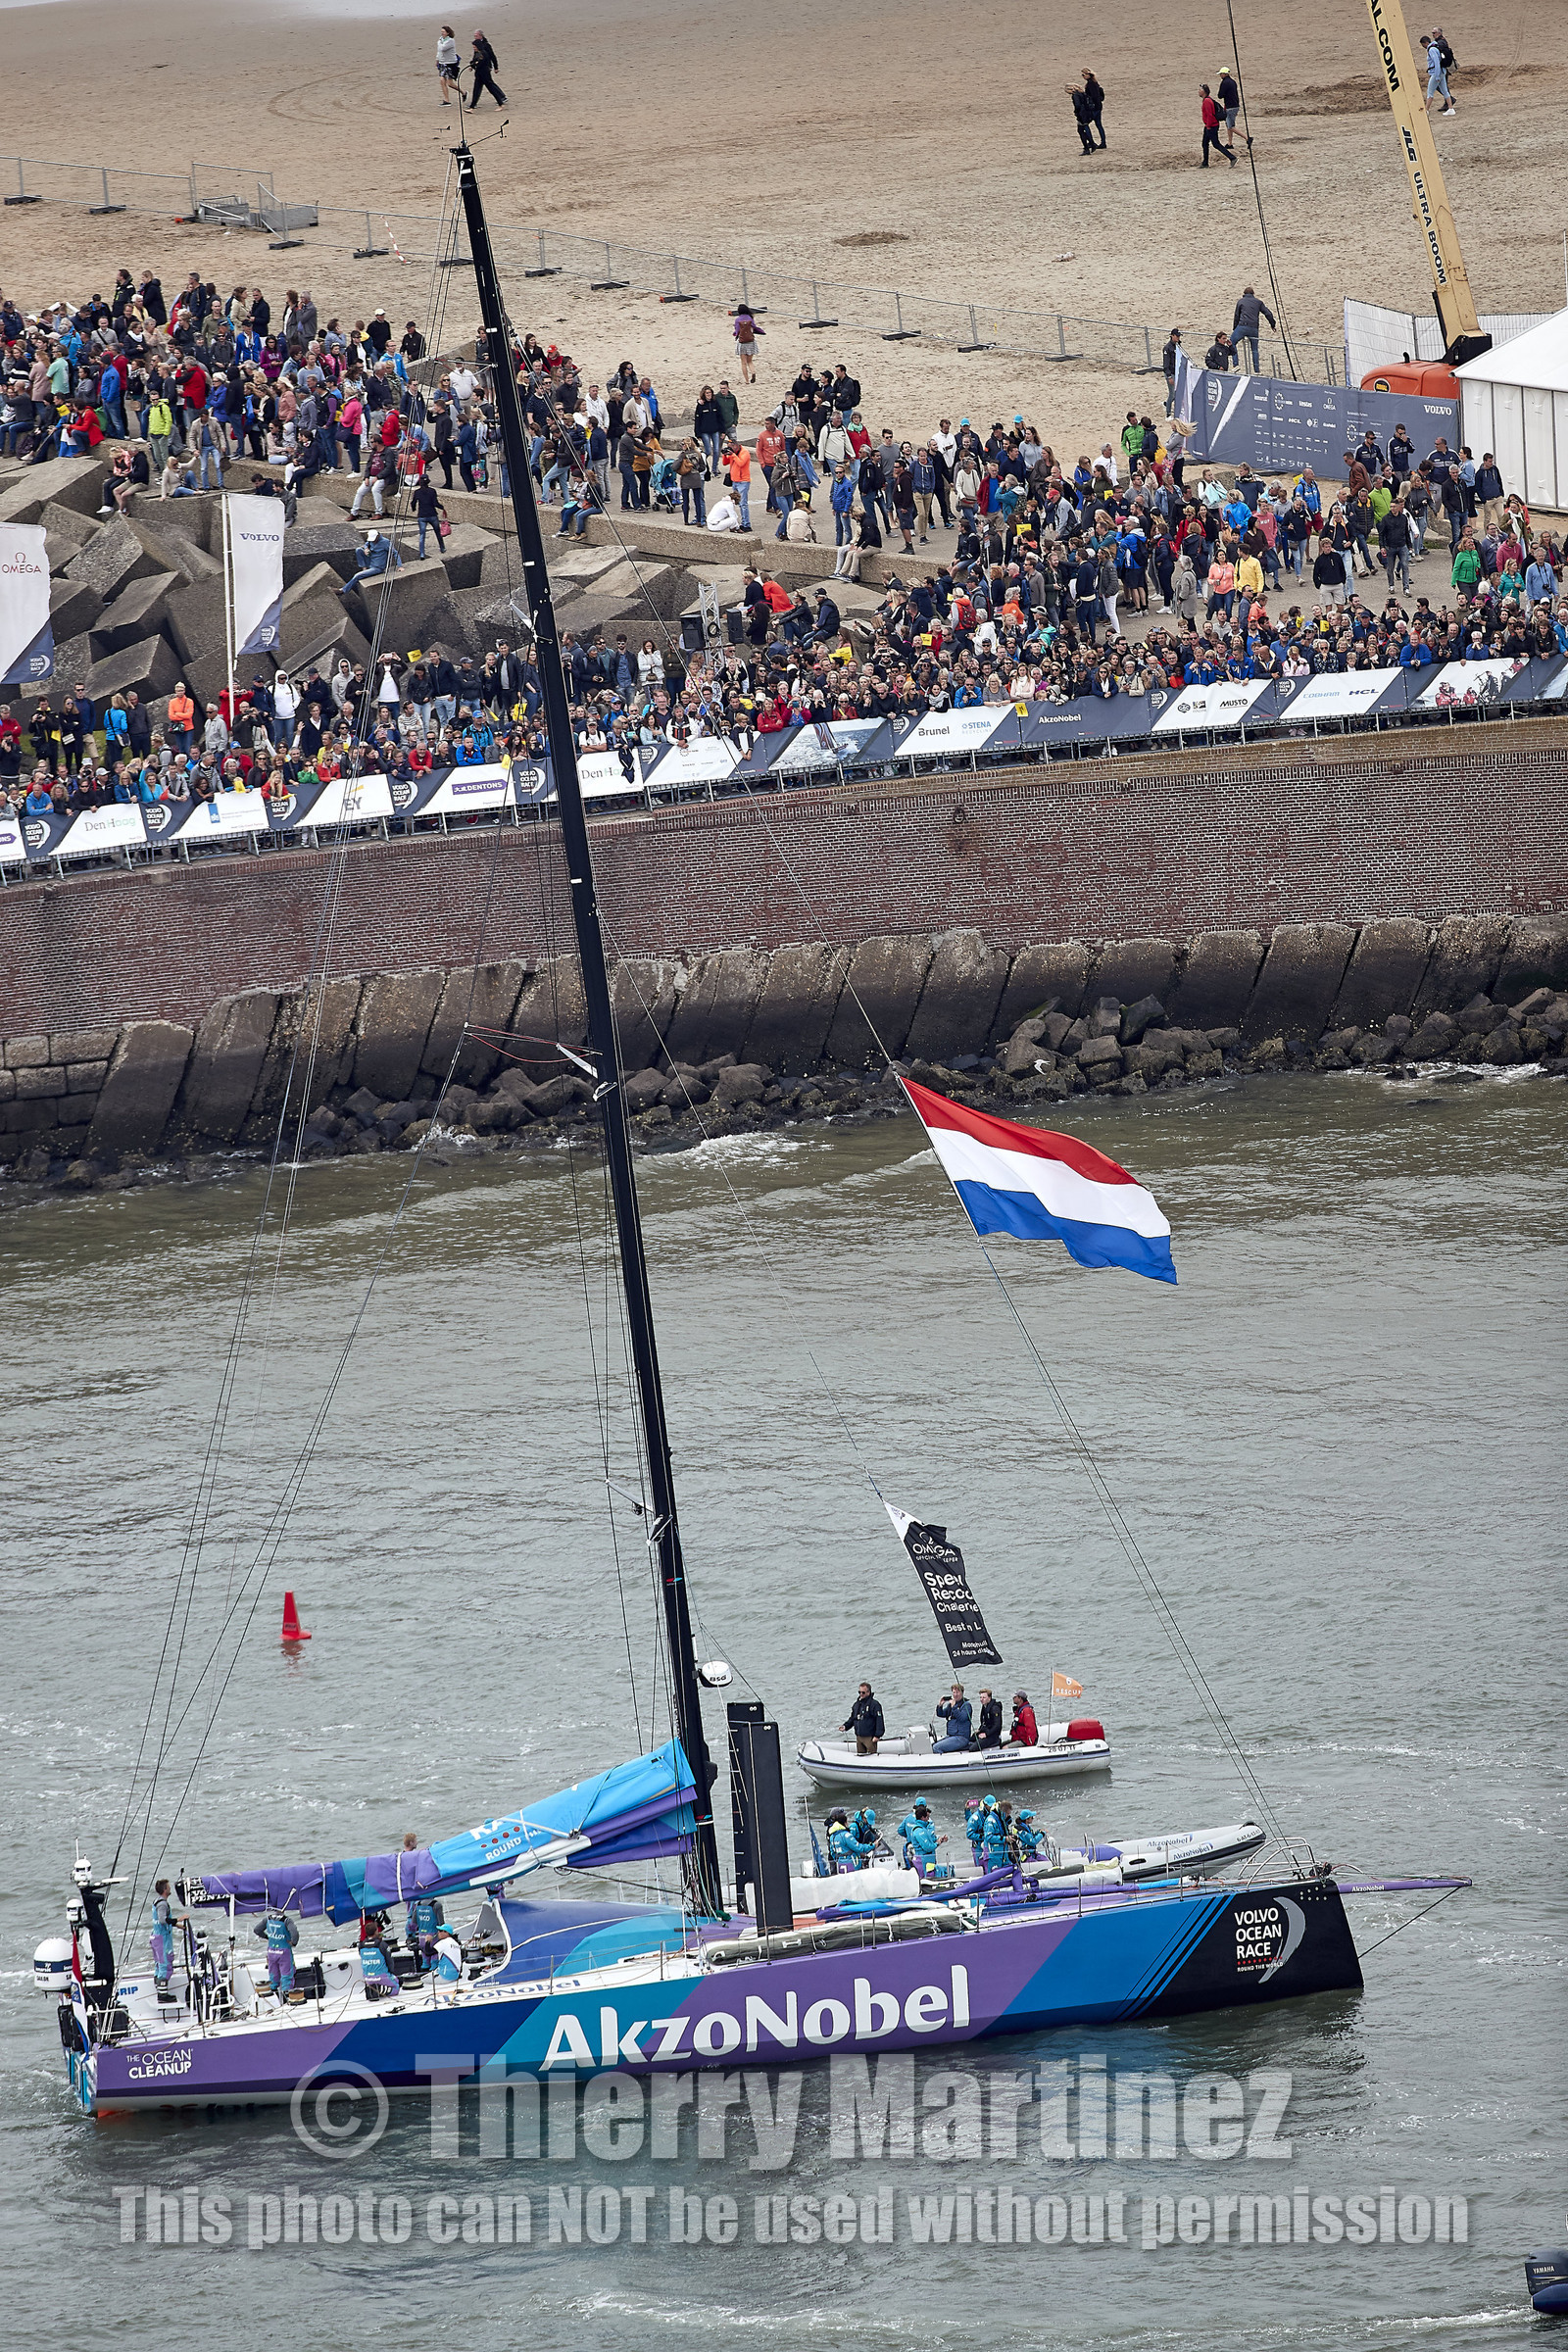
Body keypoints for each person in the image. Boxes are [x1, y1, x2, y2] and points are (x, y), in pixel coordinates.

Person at [254, 1905, 301, 2000]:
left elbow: (257, 1930)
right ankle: (286, 1999)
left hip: (271, 1952)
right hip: (284, 1952)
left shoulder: (268, 1919)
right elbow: (294, 1933)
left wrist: (267, 1937)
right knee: (286, 1976)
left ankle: (273, 1999)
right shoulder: (286, 1920)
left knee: (273, 1976)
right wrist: (293, 1943)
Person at [148, 1879, 184, 1997]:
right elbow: (163, 1920)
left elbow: (161, 1921)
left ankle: (159, 1989)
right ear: (165, 1890)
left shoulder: (157, 1901)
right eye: (168, 1887)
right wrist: (179, 1919)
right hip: (162, 1939)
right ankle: (162, 1995)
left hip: (156, 1936)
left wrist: (178, 1926)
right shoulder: (163, 1903)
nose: (170, 1888)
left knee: (159, 1964)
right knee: (165, 1964)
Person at [1231, 287, 1276, 374]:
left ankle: (1236, 365)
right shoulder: (1259, 302)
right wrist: (1272, 324)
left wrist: (1235, 328)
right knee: (1254, 349)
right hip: (1254, 328)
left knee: (1232, 342)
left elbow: (1237, 315)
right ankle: (1257, 370)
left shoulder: (1240, 301)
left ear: (1244, 293)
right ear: (1253, 294)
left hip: (1243, 326)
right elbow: (1268, 313)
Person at [898, 1799, 947, 1879]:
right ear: (923, 1817)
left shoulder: (908, 1818)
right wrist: (937, 1842)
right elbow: (928, 1846)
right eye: (927, 1817)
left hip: (910, 1849)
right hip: (924, 1859)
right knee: (925, 1876)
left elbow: (900, 1830)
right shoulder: (922, 1829)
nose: (928, 1819)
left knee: (912, 1871)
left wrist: (909, 1837)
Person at [842, 1681, 885, 1756]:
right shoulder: (857, 1704)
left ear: (868, 1692)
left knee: (872, 1756)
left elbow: (879, 1720)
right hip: (859, 1737)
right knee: (860, 1756)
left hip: (869, 1737)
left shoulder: (874, 1705)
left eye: (863, 1692)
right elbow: (853, 1718)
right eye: (859, 1692)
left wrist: (877, 1735)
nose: (861, 1694)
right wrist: (845, 1726)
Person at [467, 29, 508, 107]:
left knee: (489, 84)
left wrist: (496, 67)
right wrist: (472, 66)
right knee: (481, 86)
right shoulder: (476, 45)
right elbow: (475, 57)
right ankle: (473, 104)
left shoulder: (486, 45)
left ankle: (501, 98)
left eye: (476, 36)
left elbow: (492, 56)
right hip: (479, 68)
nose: (475, 37)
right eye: (474, 36)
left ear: (481, 36)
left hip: (486, 67)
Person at [1420, 31, 1454, 115]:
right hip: (1442, 72)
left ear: (1426, 43)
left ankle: (1426, 110)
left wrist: (1437, 76)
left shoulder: (1432, 50)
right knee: (1445, 91)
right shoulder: (1435, 47)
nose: (1423, 46)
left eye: (1422, 44)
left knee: (1430, 92)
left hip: (1436, 73)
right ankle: (1451, 108)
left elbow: (1436, 62)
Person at [1200, 85, 1235, 169]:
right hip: (1210, 125)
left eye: (1200, 90)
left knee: (1216, 144)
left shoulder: (1207, 101)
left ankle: (1232, 157)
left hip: (1211, 126)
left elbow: (1210, 115)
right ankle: (1205, 162)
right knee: (1205, 143)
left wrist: (1208, 126)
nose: (1199, 91)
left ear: (1204, 91)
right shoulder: (1207, 100)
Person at [934, 1683, 972, 1751]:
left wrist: (954, 1707)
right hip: (952, 1736)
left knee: (936, 1748)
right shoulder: (951, 1705)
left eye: (957, 1692)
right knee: (933, 1746)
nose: (955, 1695)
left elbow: (962, 1718)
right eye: (954, 1692)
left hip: (961, 1737)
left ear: (962, 1693)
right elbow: (941, 1714)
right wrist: (940, 1706)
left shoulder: (967, 1705)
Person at [432, 1924, 465, 2001]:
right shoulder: (455, 1943)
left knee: (422, 1980)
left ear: (446, 1933)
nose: (438, 1933)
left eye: (440, 1931)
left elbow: (428, 1952)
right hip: (455, 1975)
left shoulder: (444, 1942)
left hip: (445, 1977)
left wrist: (427, 1941)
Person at [1081, 66, 1106, 147]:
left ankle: (1091, 142)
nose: (1083, 77)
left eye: (1083, 75)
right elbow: (1100, 95)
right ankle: (1103, 142)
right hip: (1098, 106)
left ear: (1088, 75)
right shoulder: (1095, 82)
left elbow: (1094, 96)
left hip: (1094, 108)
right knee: (1099, 125)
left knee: (1084, 124)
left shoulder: (1090, 84)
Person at [1066, 83, 1095, 157]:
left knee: (1080, 131)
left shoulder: (1075, 95)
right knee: (1083, 129)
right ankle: (1091, 144)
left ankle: (1087, 148)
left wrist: (1076, 112)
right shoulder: (1082, 93)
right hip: (1087, 113)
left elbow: (1078, 105)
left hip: (1082, 114)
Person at [435, 24, 461, 103]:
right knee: (442, 80)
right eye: (441, 32)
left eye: (443, 32)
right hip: (442, 63)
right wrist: (437, 60)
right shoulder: (441, 40)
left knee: (450, 84)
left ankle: (463, 92)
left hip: (450, 63)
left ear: (448, 33)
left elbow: (442, 48)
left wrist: (439, 43)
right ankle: (447, 100)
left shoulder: (450, 41)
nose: (442, 33)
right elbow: (439, 51)